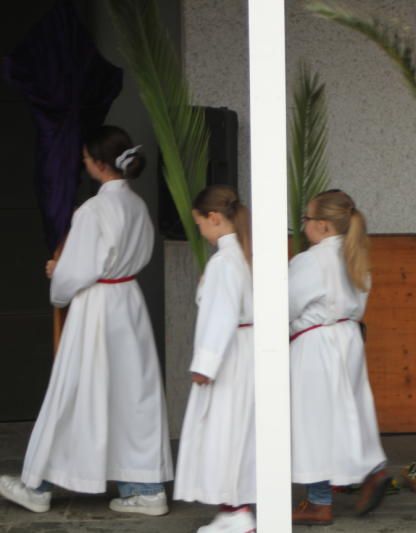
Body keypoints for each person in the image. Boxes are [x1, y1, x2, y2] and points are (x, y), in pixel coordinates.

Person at [0, 126, 173, 515]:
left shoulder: (93, 210)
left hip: (97, 307)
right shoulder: (137, 205)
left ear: (98, 164)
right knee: (131, 395)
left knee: (75, 390)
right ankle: (145, 487)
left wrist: (57, 276)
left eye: (85, 159)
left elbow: (74, 272)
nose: (82, 163)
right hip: (128, 303)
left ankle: (37, 485)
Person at [289, 189, 390, 526]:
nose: (303, 226)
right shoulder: (355, 255)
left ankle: (319, 501)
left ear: (323, 225)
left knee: (313, 420)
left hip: (315, 343)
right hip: (348, 338)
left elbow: (285, 306)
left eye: (306, 219)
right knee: (350, 413)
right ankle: (372, 470)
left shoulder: (310, 260)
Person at [173, 185, 256, 532]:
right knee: (239, 432)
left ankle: (236, 513)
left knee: (225, 431)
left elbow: (221, 315)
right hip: (244, 349)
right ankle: (233, 509)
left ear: (214, 218)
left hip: (230, 356)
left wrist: (204, 365)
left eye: (200, 225)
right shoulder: (245, 254)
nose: (201, 233)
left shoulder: (225, 261)